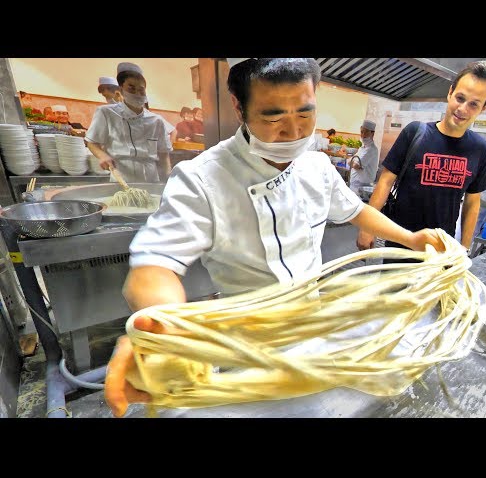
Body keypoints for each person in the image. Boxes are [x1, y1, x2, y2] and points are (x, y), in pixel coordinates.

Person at [104, 57, 446, 417]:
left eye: (305, 114)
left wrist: (410, 238)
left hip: (315, 333)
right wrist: (163, 327)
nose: (294, 131)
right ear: (239, 108)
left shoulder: (317, 165)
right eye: (273, 117)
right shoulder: (202, 179)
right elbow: (153, 267)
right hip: (246, 348)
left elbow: (354, 210)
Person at [357, 61, 486, 257]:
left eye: (474, 104)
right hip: (401, 242)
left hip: (441, 250)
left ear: (484, 108)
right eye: (460, 98)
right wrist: (368, 228)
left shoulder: (480, 149)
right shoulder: (415, 133)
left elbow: (472, 202)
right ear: (450, 93)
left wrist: (464, 249)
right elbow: (385, 181)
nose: (463, 109)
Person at [85, 62, 172, 182]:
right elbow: (91, 142)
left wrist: (168, 179)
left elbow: (163, 154)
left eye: (141, 90)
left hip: (150, 179)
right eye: (131, 88)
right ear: (121, 89)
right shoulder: (106, 113)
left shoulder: (156, 120)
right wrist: (102, 155)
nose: (137, 93)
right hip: (121, 177)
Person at [349, 119, 379, 195]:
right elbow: (350, 161)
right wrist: (352, 162)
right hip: (354, 186)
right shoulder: (362, 148)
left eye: (366, 132)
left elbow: (355, 165)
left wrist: (352, 162)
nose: (363, 135)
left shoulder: (371, 150)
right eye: (362, 132)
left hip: (362, 188)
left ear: (372, 133)